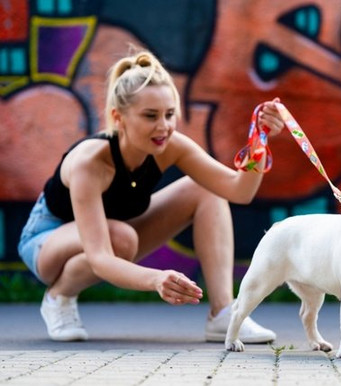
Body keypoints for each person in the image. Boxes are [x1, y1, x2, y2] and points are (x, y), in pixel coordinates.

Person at [17, 50, 285, 342]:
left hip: (113, 236)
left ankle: (224, 314)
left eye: (170, 115)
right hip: (46, 242)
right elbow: (101, 257)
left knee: (205, 191)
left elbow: (239, 190)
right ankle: (58, 297)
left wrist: (259, 139)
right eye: (150, 116)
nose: (164, 126)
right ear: (119, 118)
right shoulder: (90, 163)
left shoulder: (171, 145)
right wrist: (155, 278)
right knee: (121, 238)